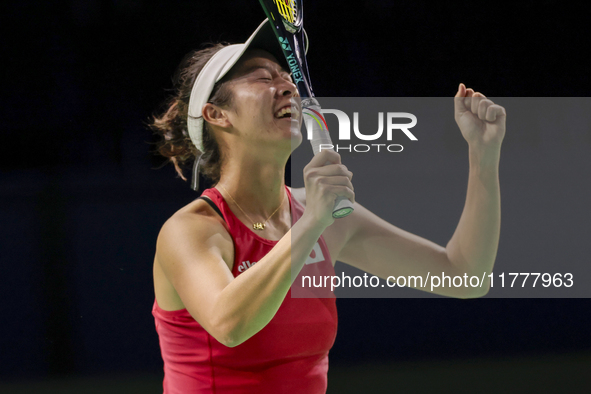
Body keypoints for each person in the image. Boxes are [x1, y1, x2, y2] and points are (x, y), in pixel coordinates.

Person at [149, 19, 506, 394]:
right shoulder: (193, 230)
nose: (287, 85)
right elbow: (230, 324)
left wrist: (484, 156)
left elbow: (464, 276)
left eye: (287, 76)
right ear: (217, 114)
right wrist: (313, 223)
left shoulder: (324, 217)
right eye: (262, 78)